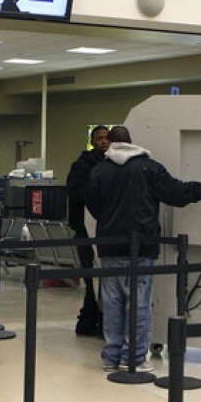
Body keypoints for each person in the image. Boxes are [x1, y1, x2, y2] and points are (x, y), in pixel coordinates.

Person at [86, 125, 201, 372]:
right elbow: (178, 193)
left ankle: (111, 357)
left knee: (112, 304)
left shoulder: (99, 171)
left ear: (110, 143)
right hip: (141, 246)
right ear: (132, 141)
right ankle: (133, 359)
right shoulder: (149, 168)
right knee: (139, 304)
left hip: (109, 247)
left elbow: (94, 206)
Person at [66, 125, 110, 336]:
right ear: (92, 142)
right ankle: (94, 322)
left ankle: (87, 322)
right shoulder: (83, 166)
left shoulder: (112, 164)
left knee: (98, 280)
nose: (103, 141)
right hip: (85, 230)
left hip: (103, 231)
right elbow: (75, 193)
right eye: (99, 138)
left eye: (106, 138)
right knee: (93, 279)